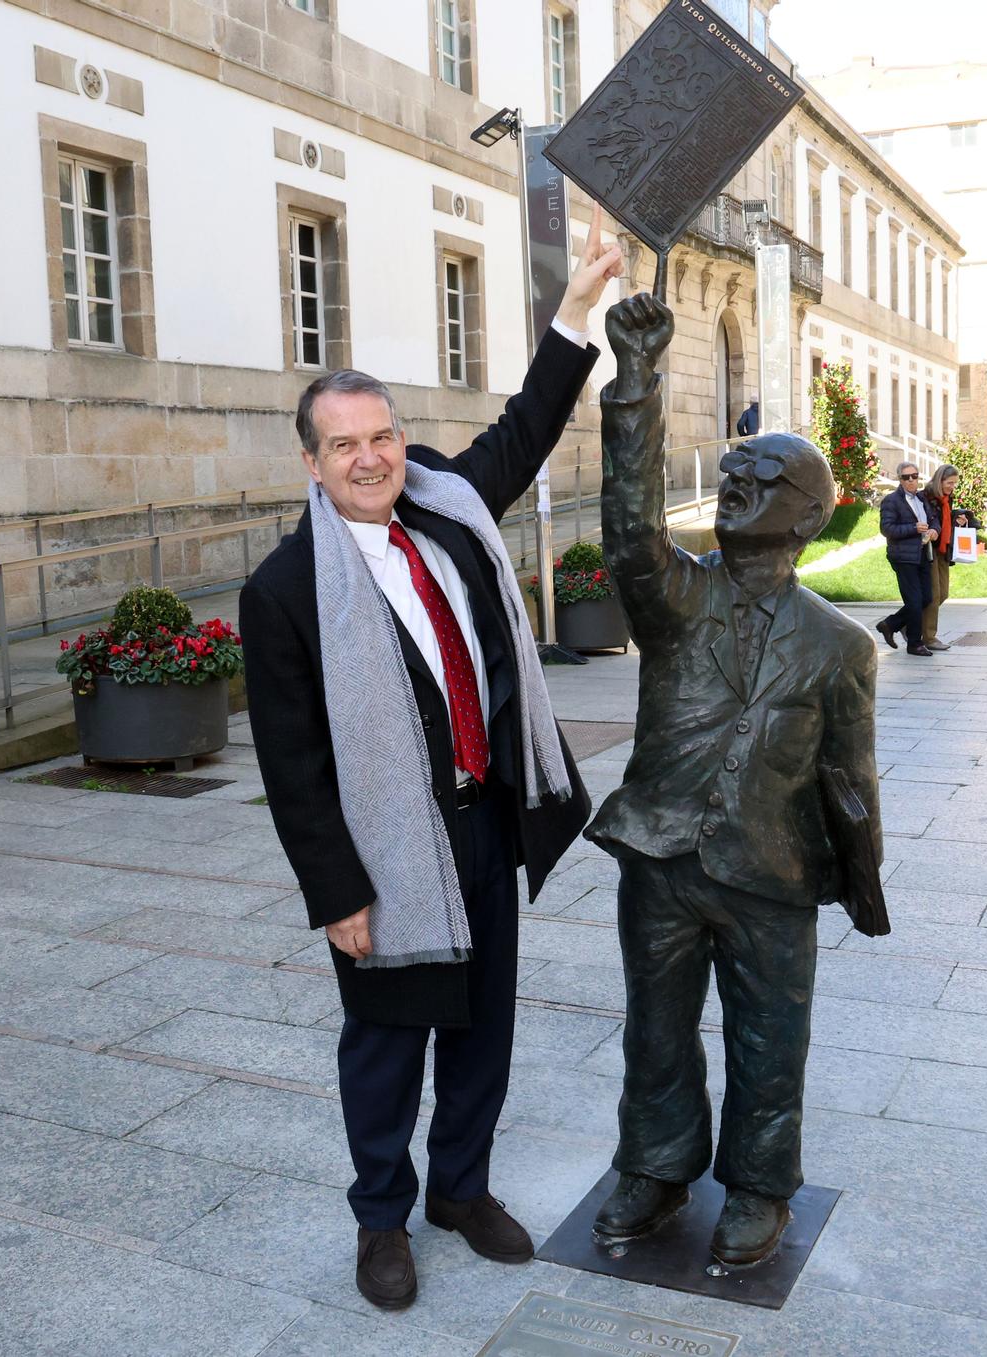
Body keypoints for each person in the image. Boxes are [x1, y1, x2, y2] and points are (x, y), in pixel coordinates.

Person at [238, 212, 622, 1311]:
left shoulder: (447, 506)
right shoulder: (283, 591)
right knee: (386, 1043)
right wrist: (336, 890)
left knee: (483, 1023)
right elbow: (291, 763)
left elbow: (524, 428)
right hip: (380, 844)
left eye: (383, 436)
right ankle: (380, 1219)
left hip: (479, 816)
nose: (371, 458)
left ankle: (460, 1188)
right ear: (312, 461)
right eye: (345, 444)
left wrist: (574, 312)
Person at [586, 290, 880, 1268]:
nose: (734, 487)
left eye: (758, 479)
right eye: (732, 474)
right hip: (662, 854)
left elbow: (847, 774)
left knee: (768, 1036)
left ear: (806, 511)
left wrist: (860, 881)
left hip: (770, 869)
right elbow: (629, 526)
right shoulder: (675, 599)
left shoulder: (839, 647)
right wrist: (635, 379)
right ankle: (657, 1165)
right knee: (655, 1029)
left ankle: (758, 1185)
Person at [875, 461, 935, 656]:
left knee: (926, 598)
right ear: (899, 480)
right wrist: (913, 528)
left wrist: (935, 530)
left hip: (923, 554)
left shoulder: (921, 498)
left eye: (914, 476)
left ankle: (891, 624)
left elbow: (934, 520)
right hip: (903, 557)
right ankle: (915, 643)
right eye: (906, 477)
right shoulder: (892, 501)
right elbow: (887, 529)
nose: (911, 480)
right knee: (915, 600)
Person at [919, 463, 977, 652]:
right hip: (929, 549)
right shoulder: (926, 496)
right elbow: (930, 519)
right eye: (949, 483)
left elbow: (943, 520)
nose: (952, 487)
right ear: (940, 480)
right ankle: (929, 637)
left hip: (943, 548)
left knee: (943, 593)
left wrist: (956, 519)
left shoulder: (946, 498)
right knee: (934, 595)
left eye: (954, 484)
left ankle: (906, 623)